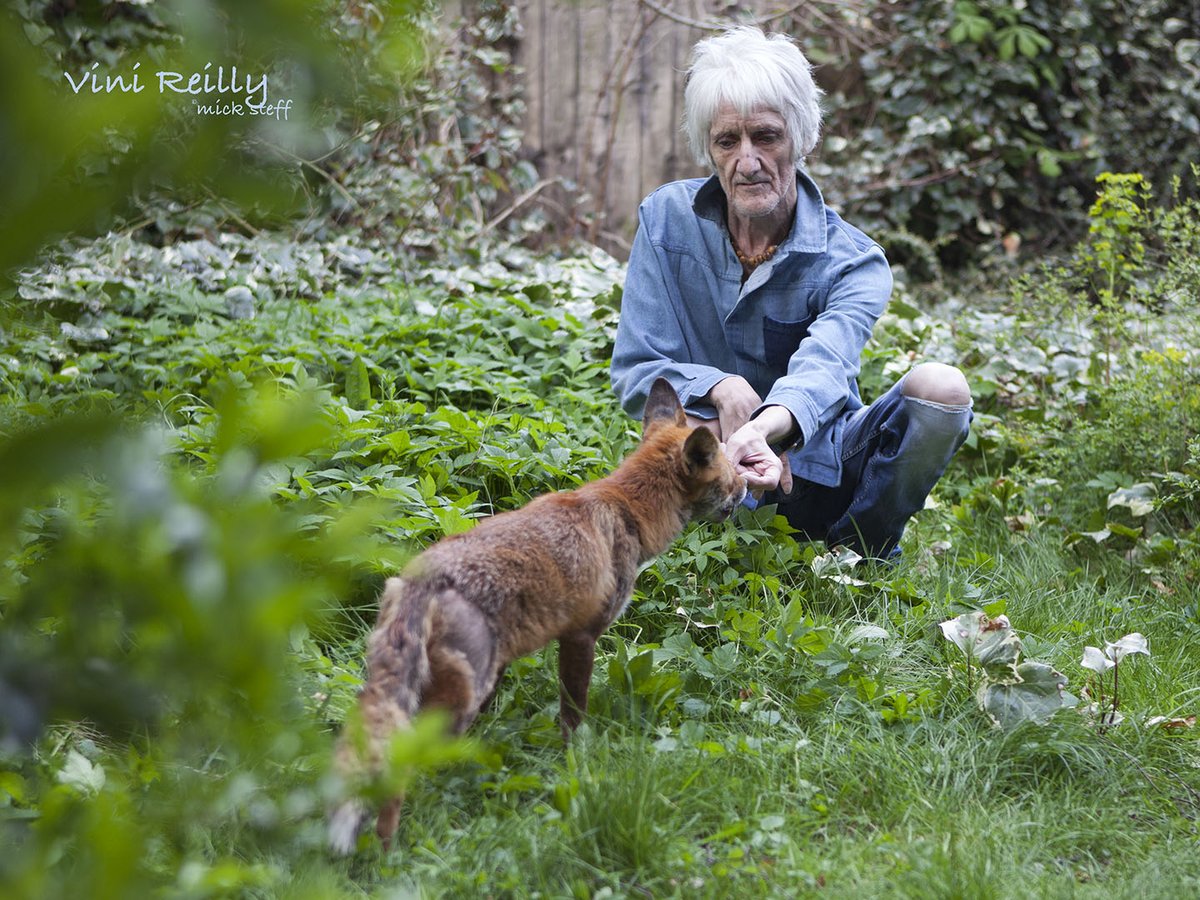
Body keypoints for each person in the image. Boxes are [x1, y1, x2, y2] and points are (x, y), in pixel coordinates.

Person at [610, 25, 972, 560]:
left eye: (767, 136)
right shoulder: (665, 221)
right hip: (713, 473)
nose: (747, 161)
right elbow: (638, 369)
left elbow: (822, 370)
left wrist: (763, 430)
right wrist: (722, 389)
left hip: (818, 467)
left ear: (802, 137)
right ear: (708, 149)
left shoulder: (854, 262)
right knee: (694, 425)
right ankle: (724, 538)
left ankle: (859, 554)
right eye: (727, 141)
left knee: (942, 390)